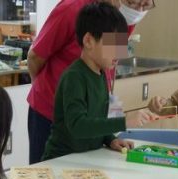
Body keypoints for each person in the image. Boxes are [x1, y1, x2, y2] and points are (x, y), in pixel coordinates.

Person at [27, 0, 155, 164]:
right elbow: (78, 125)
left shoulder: (100, 73)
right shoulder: (74, 76)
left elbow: (97, 116)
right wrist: (124, 122)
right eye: (134, 3)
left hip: (81, 156)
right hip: (58, 151)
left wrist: (110, 139)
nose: (138, 10)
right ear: (88, 41)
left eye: (145, 5)